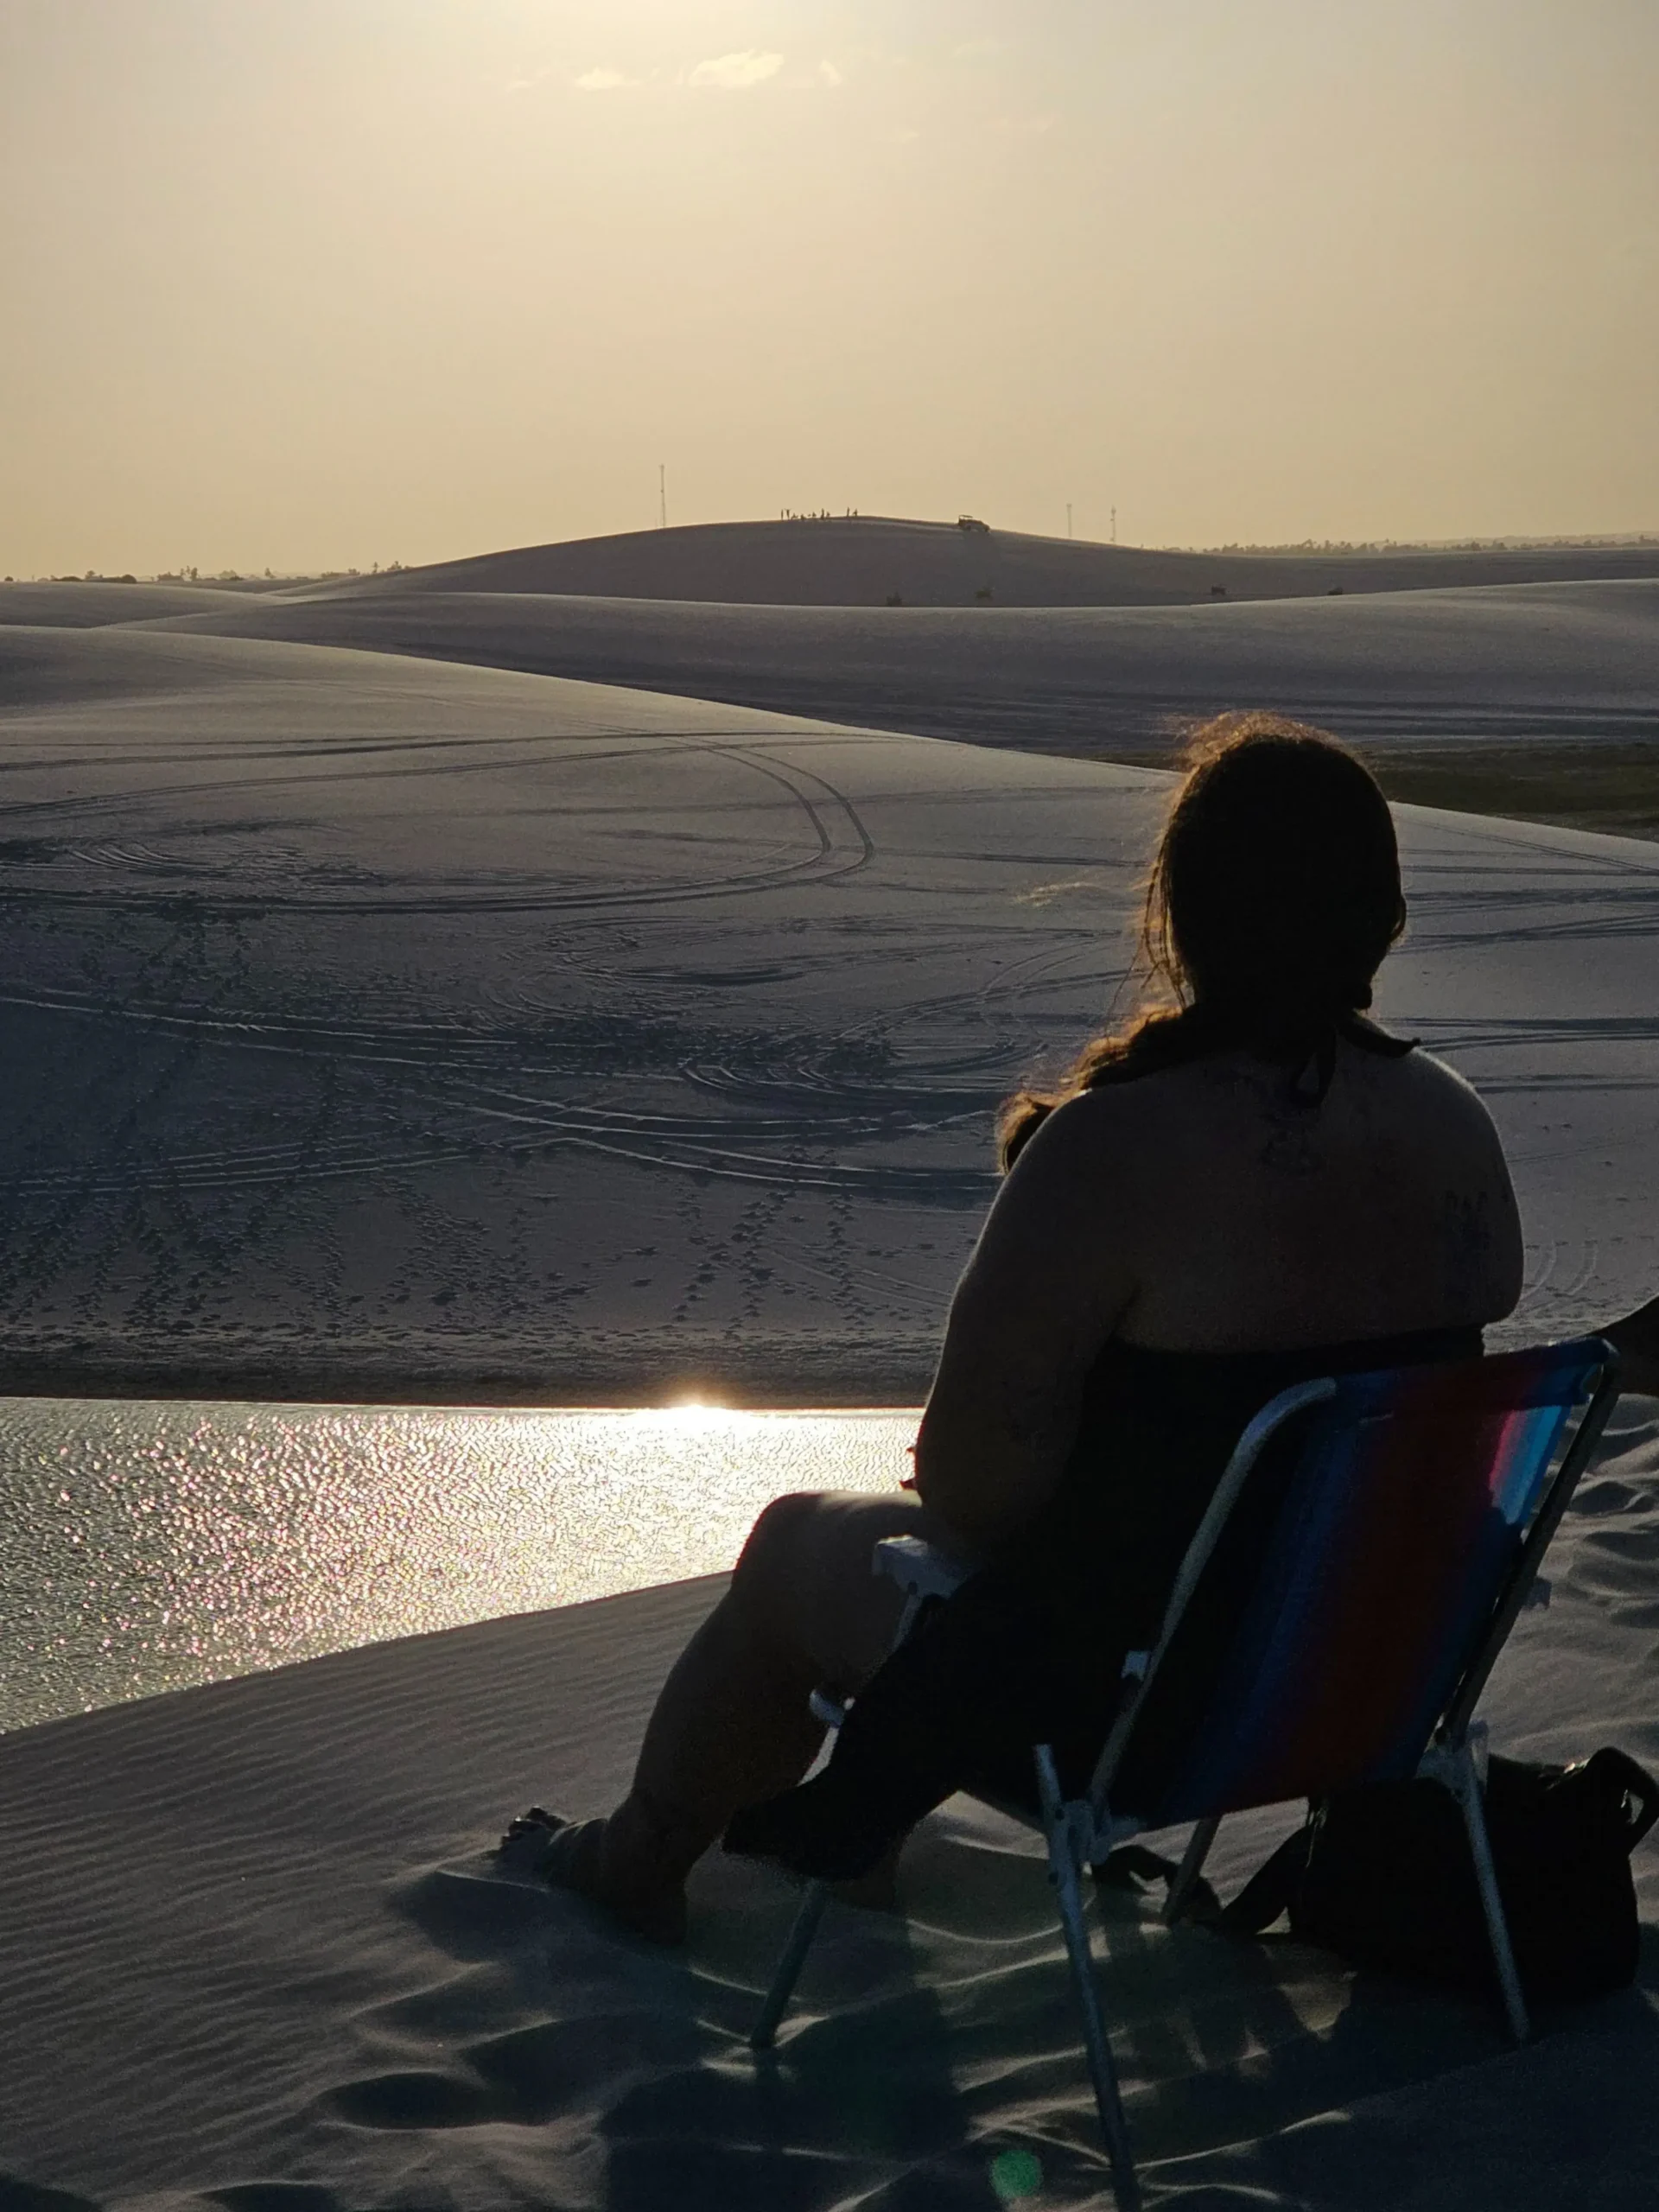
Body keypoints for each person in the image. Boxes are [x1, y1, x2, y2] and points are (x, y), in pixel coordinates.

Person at [499, 714, 1524, 1941]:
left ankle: (633, 1865)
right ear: (1382, 916)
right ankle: (845, 1865)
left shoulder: (1114, 1149)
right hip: (1360, 1685)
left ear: (1186, 918)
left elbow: (974, 1498)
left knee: (790, 1550)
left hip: (1132, 1715)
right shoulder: (1454, 1130)